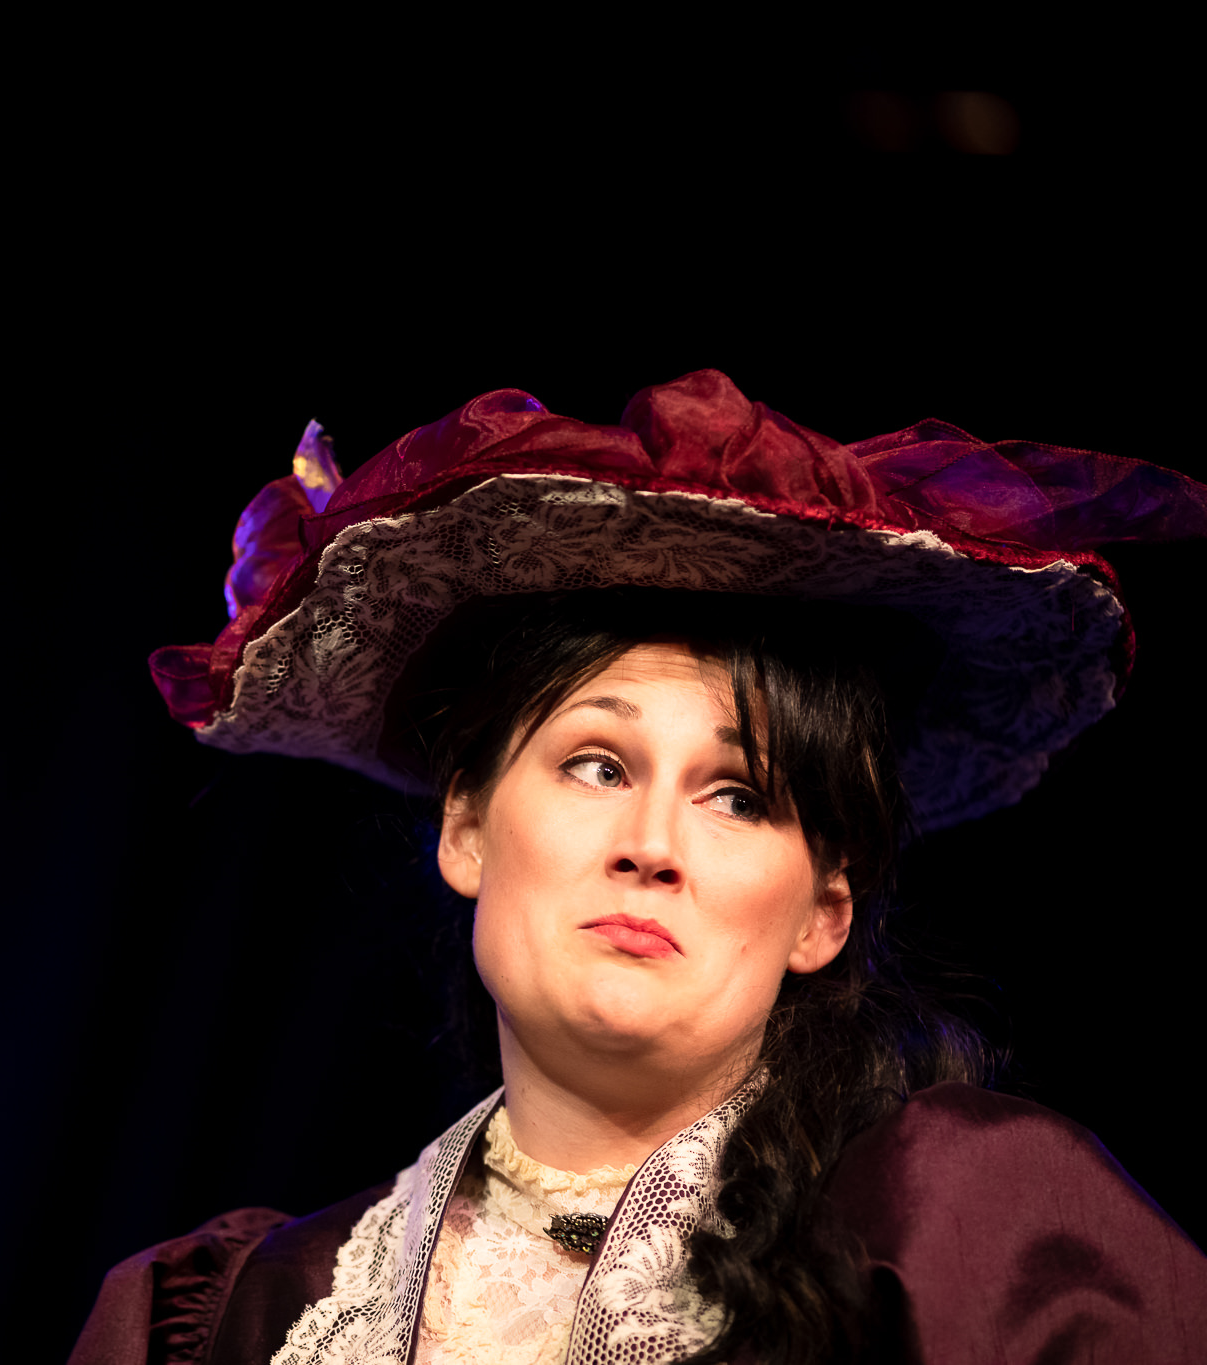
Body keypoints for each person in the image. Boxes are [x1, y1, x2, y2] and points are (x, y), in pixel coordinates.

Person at [73, 373, 1207, 1364]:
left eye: (739, 796)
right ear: (465, 827)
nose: (650, 845)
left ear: (822, 911)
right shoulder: (240, 1314)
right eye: (596, 766)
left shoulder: (977, 1233)